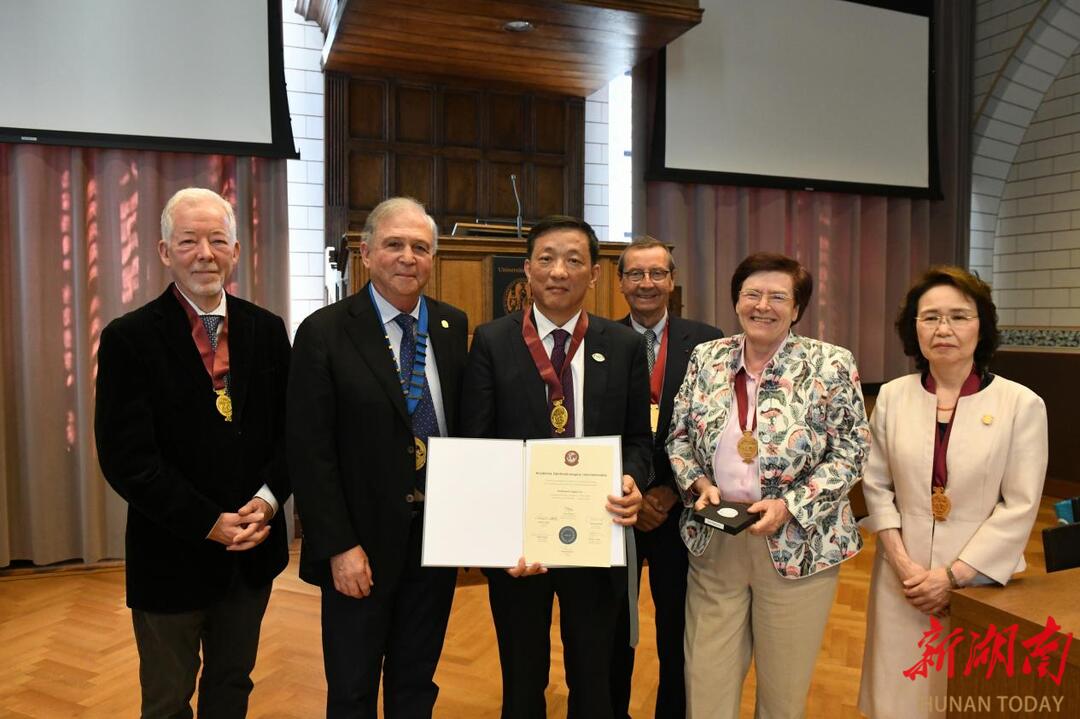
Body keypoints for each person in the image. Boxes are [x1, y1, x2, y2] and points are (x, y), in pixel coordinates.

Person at [95, 187, 291, 718]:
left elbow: (293, 434)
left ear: (235, 251)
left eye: (218, 240)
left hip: (251, 550)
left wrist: (268, 501)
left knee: (232, 687)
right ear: (165, 251)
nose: (205, 253)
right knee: (166, 699)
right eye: (188, 241)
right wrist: (208, 522)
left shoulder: (268, 330)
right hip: (170, 554)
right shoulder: (129, 338)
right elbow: (126, 458)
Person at [460, 215, 652, 719]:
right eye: (546, 259)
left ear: (594, 274)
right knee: (522, 676)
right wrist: (495, 536)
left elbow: (638, 440)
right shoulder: (492, 341)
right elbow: (478, 445)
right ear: (527, 270)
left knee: (594, 675)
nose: (559, 271)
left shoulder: (624, 346)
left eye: (573, 260)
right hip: (520, 542)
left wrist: (633, 479)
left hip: (597, 532)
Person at [666, 252, 870, 719]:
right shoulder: (708, 357)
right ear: (736, 300)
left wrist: (790, 506)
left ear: (797, 308)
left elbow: (852, 450)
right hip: (715, 541)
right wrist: (697, 482)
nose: (763, 306)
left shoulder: (830, 363)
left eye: (778, 297)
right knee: (706, 680)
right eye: (752, 294)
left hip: (798, 547)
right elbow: (678, 436)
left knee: (782, 693)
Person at [287, 197, 468, 719]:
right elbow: (310, 450)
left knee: (416, 682)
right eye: (394, 244)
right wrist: (338, 545)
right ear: (366, 253)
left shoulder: (452, 326)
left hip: (434, 539)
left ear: (433, 259)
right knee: (353, 688)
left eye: (421, 247)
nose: (408, 257)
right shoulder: (324, 331)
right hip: (359, 545)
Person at [857, 267, 1048, 718]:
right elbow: (876, 486)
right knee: (899, 697)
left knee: (967, 695)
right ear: (915, 329)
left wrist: (951, 577)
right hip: (902, 579)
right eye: (930, 318)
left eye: (959, 316)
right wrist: (905, 566)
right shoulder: (892, 397)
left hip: (978, 579)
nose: (943, 329)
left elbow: (1020, 505)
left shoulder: (1021, 404)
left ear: (982, 327)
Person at [609, 237, 722, 719]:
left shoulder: (709, 342)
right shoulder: (601, 340)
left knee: (678, 629)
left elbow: (716, 429)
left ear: (672, 281)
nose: (647, 283)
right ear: (620, 283)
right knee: (614, 628)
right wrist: (633, 491)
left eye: (657, 273)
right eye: (636, 274)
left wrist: (672, 491)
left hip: (682, 511)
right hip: (619, 508)